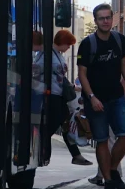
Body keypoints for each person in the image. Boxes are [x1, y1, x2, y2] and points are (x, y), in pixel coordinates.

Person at [76, 3, 125, 189]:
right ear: (95, 21)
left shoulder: (119, 40)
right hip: (96, 100)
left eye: (108, 17)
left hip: (117, 96)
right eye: (101, 18)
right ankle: (109, 182)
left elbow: (124, 66)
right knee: (102, 140)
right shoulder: (87, 44)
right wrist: (92, 97)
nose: (105, 21)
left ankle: (111, 169)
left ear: (112, 18)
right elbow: (82, 74)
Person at [33, 30, 94, 167]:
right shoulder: (47, 54)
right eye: (68, 44)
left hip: (58, 94)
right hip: (52, 95)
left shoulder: (56, 55)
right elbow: (36, 70)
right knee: (58, 123)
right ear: (62, 42)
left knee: (65, 123)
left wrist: (72, 86)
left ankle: (74, 154)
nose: (69, 47)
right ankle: (41, 147)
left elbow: (58, 76)